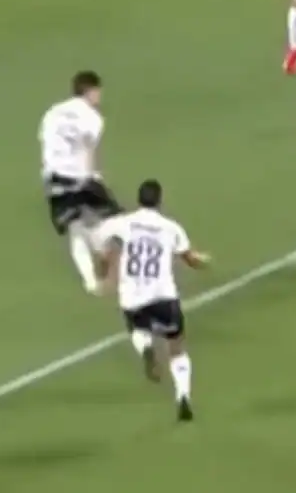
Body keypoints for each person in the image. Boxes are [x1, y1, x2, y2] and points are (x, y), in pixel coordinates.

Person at [96, 180, 209, 421]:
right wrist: (202, 261)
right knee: (176, 346)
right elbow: (189, 258)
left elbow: (102, 239)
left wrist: (104, 269)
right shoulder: (171, 228)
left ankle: (145, 347)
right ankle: (183, 396)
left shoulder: (124, 223)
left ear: (139, 199)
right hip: (163, 295)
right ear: (160, 200)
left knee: (136, 326)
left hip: (132, 296)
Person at [38, 71, 123, 293]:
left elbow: (45, 143)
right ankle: (102, 247)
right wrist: (94, 175)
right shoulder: (92, 117)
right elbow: (89, 149)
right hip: (80, 176)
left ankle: (91, 282)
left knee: (75, 228)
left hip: (54, 176)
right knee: (115, 219)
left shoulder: (52, 112)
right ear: (91, 91)